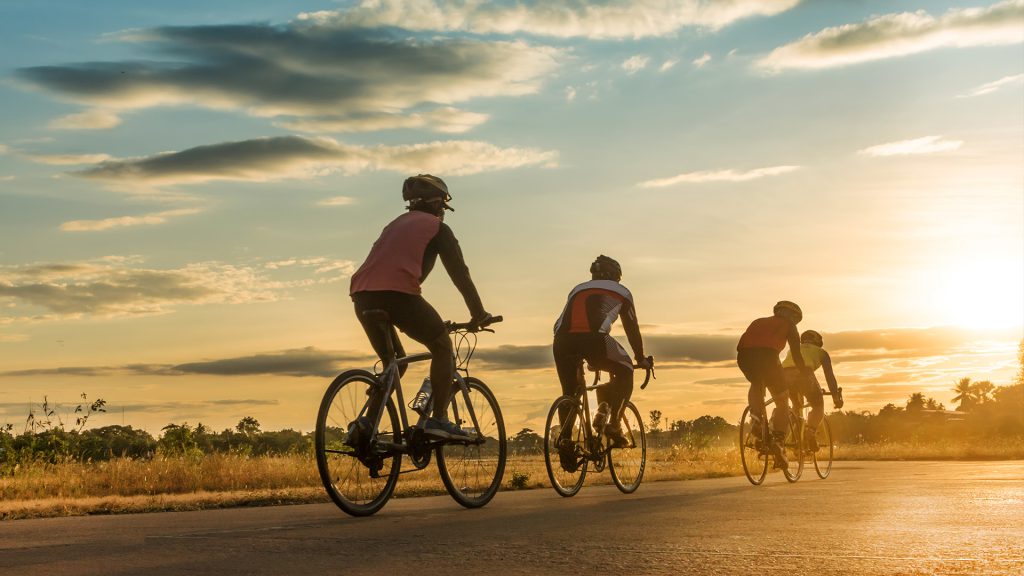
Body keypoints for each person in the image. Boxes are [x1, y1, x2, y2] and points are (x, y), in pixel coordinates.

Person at [349, 174, 492, 440]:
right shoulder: (437, 228)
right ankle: (437, 420)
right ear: (438, 204)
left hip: (362, 296)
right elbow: (460, 274)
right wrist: (478, 313)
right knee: (441, 344)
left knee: (395, 363)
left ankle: (366, 426)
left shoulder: (395, 225)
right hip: (398, 296)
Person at [552, 255, 650, 458]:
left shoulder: (577, 288)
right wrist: (640, 358)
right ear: (616, 277)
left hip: (561, 341)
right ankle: (613, 423)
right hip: (595, 339)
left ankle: (565, 442)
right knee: (626, 369)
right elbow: (632, 328)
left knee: (571, 392)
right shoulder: (622, 291)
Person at [736, 301, 809, 469]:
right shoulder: (789, 325)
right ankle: (778, 440)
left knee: (756, 382)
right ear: (793, 316)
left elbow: (747, 342)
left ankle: (756, 418)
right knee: (782, 401)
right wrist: (804, 373)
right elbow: (796, 355)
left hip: (744, 356)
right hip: (768, 357)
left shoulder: (758, 321)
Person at [782, 329, 844, 451]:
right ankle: (809, 432)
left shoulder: (793, 349)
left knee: (796, 406)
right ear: (818, 341)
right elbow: (829, 377)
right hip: (804, 375)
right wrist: (836, 397)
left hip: (784, 376)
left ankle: (794, 440)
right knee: (818, 405)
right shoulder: (822, 352)